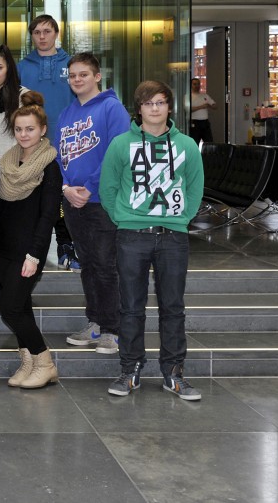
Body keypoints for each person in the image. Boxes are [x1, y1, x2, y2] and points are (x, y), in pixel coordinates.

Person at [101, 80, 204, 400]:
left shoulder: (187, 145)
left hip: (173, 238)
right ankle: (130, 370)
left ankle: (173, 374)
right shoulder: (120, 144)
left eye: (160, 102)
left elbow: (194, 187)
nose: (155, 108)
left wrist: (180, 220)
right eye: (148, 103)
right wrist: (124, 219)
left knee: (173, 308)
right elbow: (108, 189)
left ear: (169, 107)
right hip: (131, 236)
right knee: (130, 308)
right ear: (139, 109)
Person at [56, 52, 131, 355]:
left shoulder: (113, 109)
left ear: (97, 76)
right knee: (86, 265)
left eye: (83, 74)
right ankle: (95, 322)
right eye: (72, 75)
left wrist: (88, 188)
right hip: (73, 202)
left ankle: (113, 330)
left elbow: (119, 154)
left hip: (101, 202)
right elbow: (59, 155)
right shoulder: (66, 114)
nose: (77, 79)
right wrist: (65, 187)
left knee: (105, 266)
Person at [0, 91, 62, 390]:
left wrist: (35, 255)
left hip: (28, 251)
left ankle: (45, 362)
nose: (24, 134)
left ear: (42, 130)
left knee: (9, 308)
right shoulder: (8, 162)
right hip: (6, 247)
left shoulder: (49, 165)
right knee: (21, 308)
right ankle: (28, 361)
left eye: (30, 129)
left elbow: (48, 216)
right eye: (19, 129)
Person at [17, 15, 79, 273]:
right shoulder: (22, 67)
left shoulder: (71, 65)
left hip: (67, 145)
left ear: (56, 33)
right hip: (32, 146)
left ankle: (67, 245)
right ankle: (30, 253)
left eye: (47, 31)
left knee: (64, 197)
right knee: (34, 201)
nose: (42, 37)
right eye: (37, 32)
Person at [189, 77, 216, 144]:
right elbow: (189, 109)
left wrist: (209, 105)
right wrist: (201, 107)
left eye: (198, 84)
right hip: (195, 123)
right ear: (191, 85)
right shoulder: (188, 96)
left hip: (205, 123)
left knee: (209, 142)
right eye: (194, 84)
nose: (197, 86)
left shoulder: (205, 95)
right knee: (195, 143)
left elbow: (215, 106)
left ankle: (209, 154)